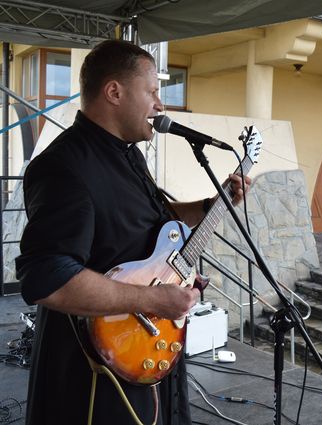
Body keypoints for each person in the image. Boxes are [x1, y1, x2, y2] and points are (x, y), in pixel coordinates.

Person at [15, 40, 250, 425]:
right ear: (114, 92)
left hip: (144, 351)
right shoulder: (63, 166)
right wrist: (155, 301)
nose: (161, 104)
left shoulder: (128, 153)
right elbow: (48, 278)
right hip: (92, 372)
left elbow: (151, 220)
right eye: (153, 91)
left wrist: (212, 204)